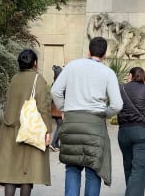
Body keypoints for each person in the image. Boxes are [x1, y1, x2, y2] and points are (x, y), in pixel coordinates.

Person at [51, 37, 123, 196]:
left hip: (72, 122)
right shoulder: (108, 73)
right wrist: (104, 114)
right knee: (93, 169)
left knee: (72, 168)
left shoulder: (72, 66)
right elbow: (117, 105)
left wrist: (64, 109)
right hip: (95, 125)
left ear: (88, 51)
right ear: (104, 55)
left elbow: (55, 91)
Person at [0, 49, 52, 196]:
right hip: (29, 129)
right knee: (27, 173)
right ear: (35, 63)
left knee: (10, 174)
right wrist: (47, 131)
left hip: (10, 130)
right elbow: (43, 108)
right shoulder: (39, 80)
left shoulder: (14, 79)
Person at [117, 67, 145, 196]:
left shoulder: (121, 88)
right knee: (139, 167)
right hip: (143, 132)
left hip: (124, 131)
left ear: (130, 75)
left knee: (128, 165)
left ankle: (132, 191)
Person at [49, 65, 63, 152]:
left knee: (60, 125)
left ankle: (56, 144)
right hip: (58, 108)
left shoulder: (54, 82)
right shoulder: (60, 83)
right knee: (60, 126)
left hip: (54, 107)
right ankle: (53, 143)